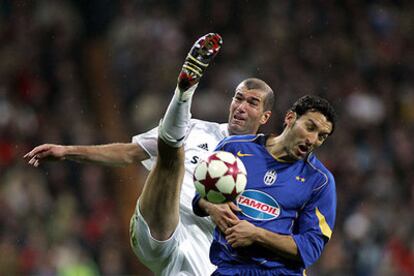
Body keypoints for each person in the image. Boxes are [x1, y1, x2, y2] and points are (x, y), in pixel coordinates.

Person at [24, 33, 275, 275]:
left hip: (202, 253)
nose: (241, 107)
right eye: (238, 98)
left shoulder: (268, 170)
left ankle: (182, 99)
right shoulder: (196, 129)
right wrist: (67, 150)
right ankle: (184, 92)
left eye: (252, 103)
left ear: (265, 116)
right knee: (172, 151)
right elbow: (128, 153)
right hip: (158, 229)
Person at [193, 95, 337, 275]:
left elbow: (310, 247)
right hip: (228, 269)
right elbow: (200, 195)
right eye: (310, 127)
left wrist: (257, 235)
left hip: (280, 271)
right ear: (290, 118)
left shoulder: (319, 180)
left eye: (321, 137)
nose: (313, 139)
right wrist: (211, 206)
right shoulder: (234, 148)